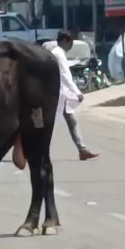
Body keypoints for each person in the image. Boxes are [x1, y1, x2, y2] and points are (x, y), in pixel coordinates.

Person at [43, 31, 99, 161]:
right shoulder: (58, 53)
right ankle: (34, 149)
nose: (70, 48)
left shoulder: (51, 48)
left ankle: (82, 150)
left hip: (56, 92)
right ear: (66, 41)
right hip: (56, 93)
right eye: (70, 44)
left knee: (69, 119)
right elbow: (64, 75)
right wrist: (77, 92)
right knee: (48, 122)